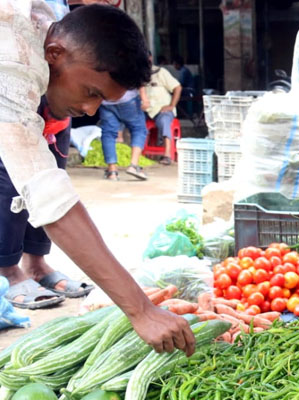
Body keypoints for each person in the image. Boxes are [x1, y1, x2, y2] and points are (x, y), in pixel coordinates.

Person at [0, 2, 195, 355]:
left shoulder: (46, 26)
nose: (91, 110)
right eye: (92, 92)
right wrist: (140, 310)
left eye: (102, 100)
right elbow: (49, 200)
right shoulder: (12, 64)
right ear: (55, 53)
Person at [98, 88, 150, 180]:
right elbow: (138, 75)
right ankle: (133, 166)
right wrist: (144, 97)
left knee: (108, 134)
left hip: (106, 101)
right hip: (128, 99)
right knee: (139, 129)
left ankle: (112, 171)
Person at [144, 59, 182, 165]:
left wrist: (171, 106)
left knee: (164, 120)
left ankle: (167, 155)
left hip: (161, 110)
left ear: (150, 59)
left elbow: (177, 88)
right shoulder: (138, 73)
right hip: (145, 110)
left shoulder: (160, 72)